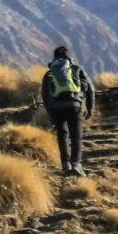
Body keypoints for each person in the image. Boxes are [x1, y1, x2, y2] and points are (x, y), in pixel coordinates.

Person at [41, 44, 98, 176]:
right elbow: (91, 90)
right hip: (74, 105)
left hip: (56, 107)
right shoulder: (76, 69)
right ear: (68, 57)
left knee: (62, 135)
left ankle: (65, 164)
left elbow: (45, 95)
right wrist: (89, 108)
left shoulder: (49, 73)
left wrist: (50, 113)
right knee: (76, 136)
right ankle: (76, 165)